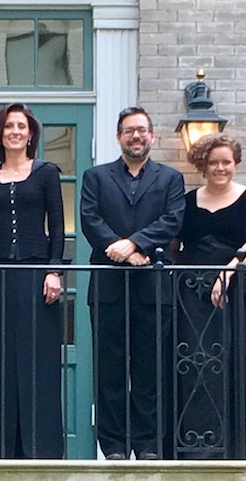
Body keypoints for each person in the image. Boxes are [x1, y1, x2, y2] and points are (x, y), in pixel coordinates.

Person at [79, 107, 185, 460]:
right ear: (118, 137)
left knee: (150, 370)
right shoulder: (96, 177)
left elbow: (172, 220)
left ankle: (148, 444)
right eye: (128, 131)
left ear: (151, 136)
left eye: (141, 130)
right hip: (109, 287)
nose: (135, 136)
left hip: (153, 290)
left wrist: (135, 243)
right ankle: (113, 447)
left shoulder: (170, 179)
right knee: (109, 371)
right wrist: (123, 251)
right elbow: (90, 220)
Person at [172, 132, 246, 467]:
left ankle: (241, 449)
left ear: (236, 164)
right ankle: (196, 450)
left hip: (238, 298)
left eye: (226, 162)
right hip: (191, 299)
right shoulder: (187, 202)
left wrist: (227, 273)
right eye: (214, 162)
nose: (220, 168)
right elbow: (175, 247)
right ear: (203, 165)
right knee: (195, 368)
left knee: (240, 365)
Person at [0, 103, 67, 459]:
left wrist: (54, 269)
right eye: (8, 126)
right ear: (1, 134)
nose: (15, 131)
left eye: (21, 126)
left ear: (30, 134)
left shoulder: (46, 174)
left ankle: (42, 449)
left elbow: (57, 225)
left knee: (37, 359)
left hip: (35, 275)